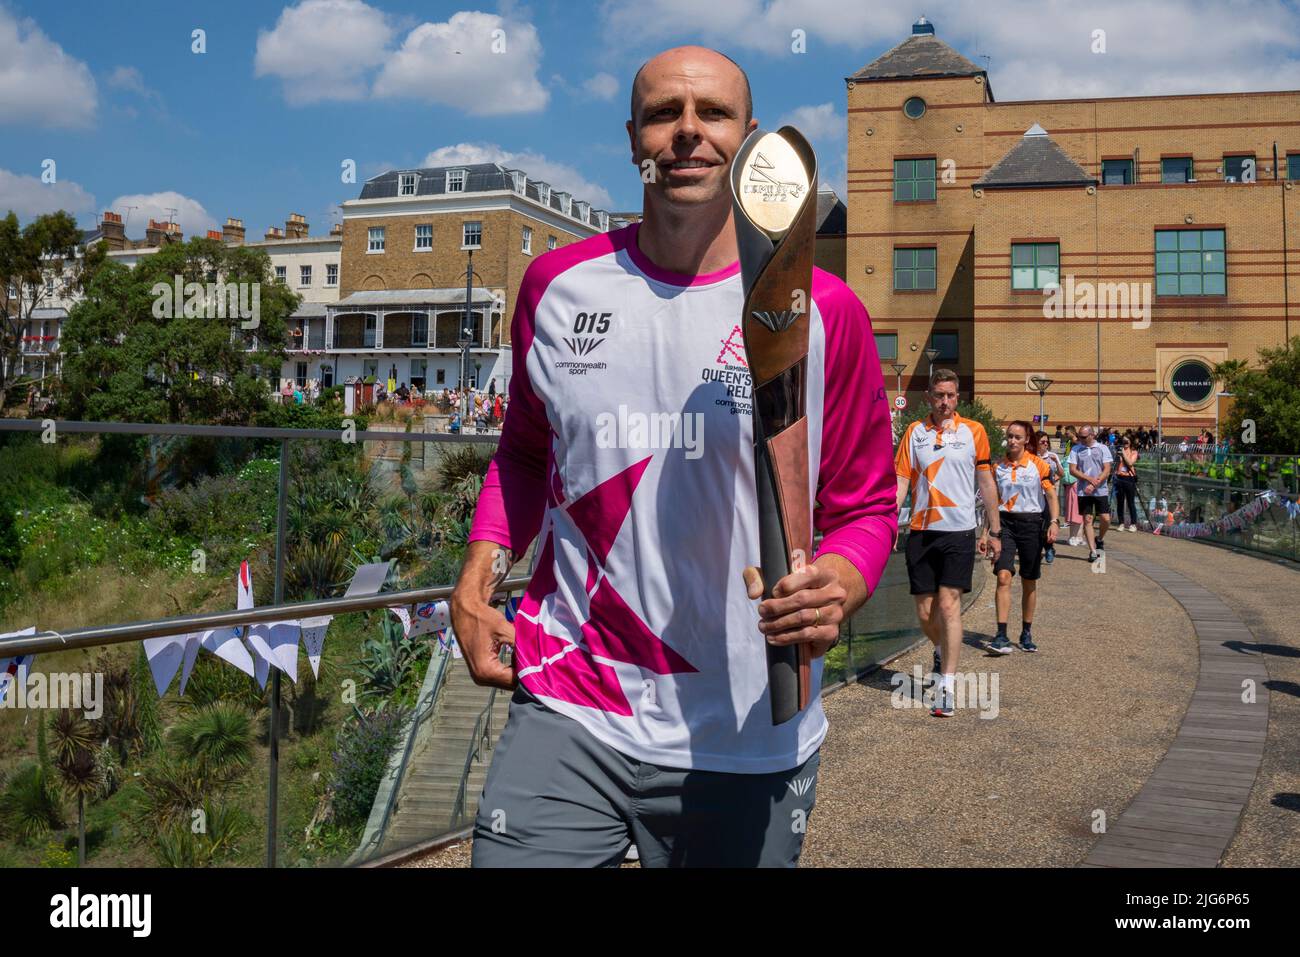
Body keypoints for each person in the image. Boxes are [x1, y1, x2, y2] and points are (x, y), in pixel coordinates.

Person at [452, 45, 897, 868]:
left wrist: (841, 580)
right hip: (568, 701)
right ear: (632, 140)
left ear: (751, 140)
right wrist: (477, 577)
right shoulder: (556, 288)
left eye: (714, 115)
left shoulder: (826, 313)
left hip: (747, 729)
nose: (688, 133)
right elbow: (521, 453)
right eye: (665, 114)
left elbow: (866, 506)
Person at [895, 369, 1001, 715]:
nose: (944, 402)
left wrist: (994, 530)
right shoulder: (914, 432)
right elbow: (900, 482)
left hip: (959, 531)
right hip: (921, 531)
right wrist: (887, 522)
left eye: (950, 396)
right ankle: (941, 647)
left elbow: (985, 482)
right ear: (929, 397)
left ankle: (946, 685)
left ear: (958, 398)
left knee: (948, 606)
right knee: (926, 612)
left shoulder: (974, 432)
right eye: (939, 395)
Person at [989, 421, 1058, 652]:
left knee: (1029, 580)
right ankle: (1001, 634)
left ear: (1027, 439)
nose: (1012, 441)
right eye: (1010, 436)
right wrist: (987, 533)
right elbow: (991, 501)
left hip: (1031, 524)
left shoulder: (1038, 465)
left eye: (1018, 437)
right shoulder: (997, 466)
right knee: (1003, 576)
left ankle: (1026, 632)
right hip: (1005, 524)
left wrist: (1054, 522)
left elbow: (1051, 495)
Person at [1068, 425, 1113, 562]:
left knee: (1105, 519)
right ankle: (1093, 551)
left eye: (1083, 436)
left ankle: (1099, 539)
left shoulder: (1102, 448)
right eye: (1079, 436)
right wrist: (1088, 480)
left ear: (1092, 435)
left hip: (1100, 490)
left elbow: (1107, 469)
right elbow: (1072, 470)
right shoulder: (1076, 449)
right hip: (1083, 491)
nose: (1080, 439)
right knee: (1087, 519)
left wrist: (1095, 483)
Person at [1035, 432, 1063, 563]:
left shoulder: (1052, 456)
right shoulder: (1032, 457)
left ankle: (1049, 547)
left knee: (1047, 523)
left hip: (1047, 495)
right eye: (1042, 442)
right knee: (1036, 524)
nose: (1045, 444)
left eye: (1047, 442)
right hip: (1034, 495)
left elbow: (1061, 473)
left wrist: (1056, 463)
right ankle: (1038, 549)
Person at [1114, 436, 1140, 531]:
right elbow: (1115, 464)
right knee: (1120, 502)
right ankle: (1121, 523)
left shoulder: (1134, 452)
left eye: (1126, 441)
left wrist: (1123, 453)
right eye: (1123, 441)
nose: (1124, 443)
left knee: (1130, 502)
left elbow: (1130, 463)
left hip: (1129, 478)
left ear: (1130, 442)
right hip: (1119, 477)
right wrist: (1118, 455)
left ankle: (1133, 524)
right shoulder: (1119, 452)